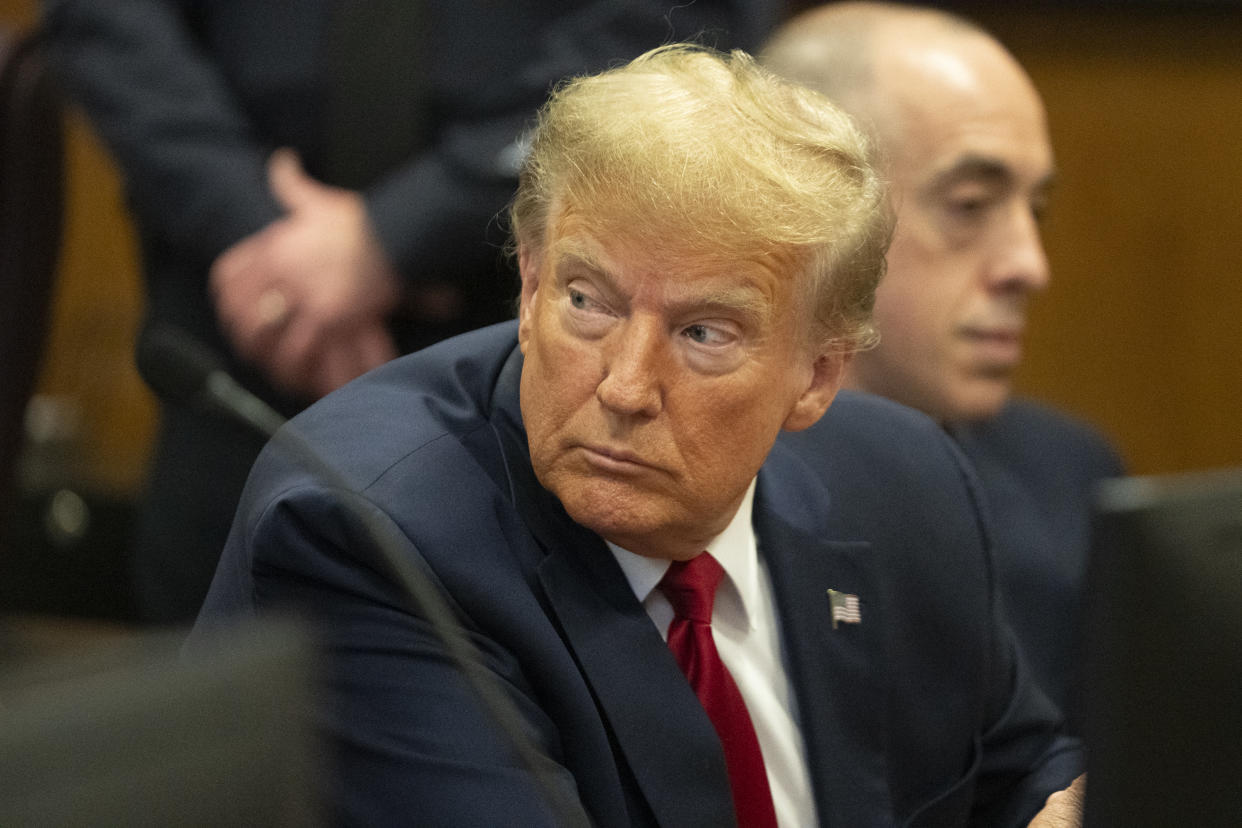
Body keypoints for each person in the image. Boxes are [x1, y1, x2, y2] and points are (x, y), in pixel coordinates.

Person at [191, 44, 1084, 826]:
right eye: (588, 301)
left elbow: (1027, 773)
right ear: (530, 283)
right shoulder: (372, 536)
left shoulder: (900, 482)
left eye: (704, 334)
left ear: (816, 376)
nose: (624, 386)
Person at [41, 0, 782, 624]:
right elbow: (108, 18)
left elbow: (676, 22)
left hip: (541, 324)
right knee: (218, 729)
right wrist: (249, 223)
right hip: (239, 321)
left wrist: (399, 232)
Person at [761, 2, 1125, 732]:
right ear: (809, 212)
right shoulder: (684, 497)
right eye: (970, 204)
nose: (1030, 265)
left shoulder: (1069, 476)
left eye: (1036, 210)